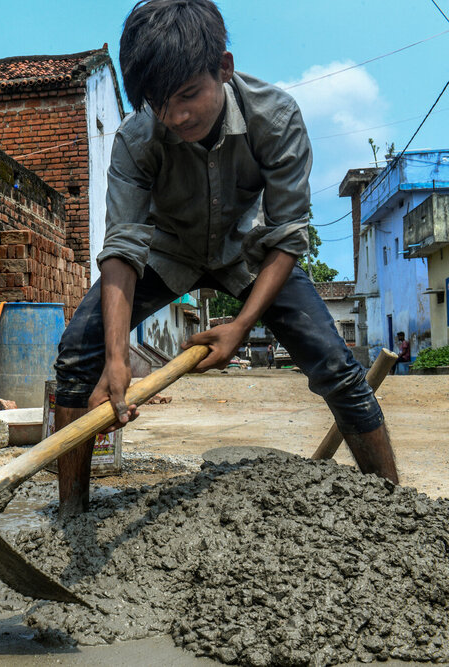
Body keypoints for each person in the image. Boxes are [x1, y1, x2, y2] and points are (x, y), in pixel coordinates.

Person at [53, 0, 398, 517]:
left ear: (224, 68)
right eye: (160, 102)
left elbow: (287, 236)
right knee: (78, 357)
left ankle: (395, 511)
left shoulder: (275, 117)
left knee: (335, 365)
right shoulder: (136, 137)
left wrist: (240, 326)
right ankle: (71, 516)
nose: (177, 115)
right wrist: (119, 357)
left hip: (249, 252)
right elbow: (122, 249)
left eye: (190, 94)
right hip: (165, 252)